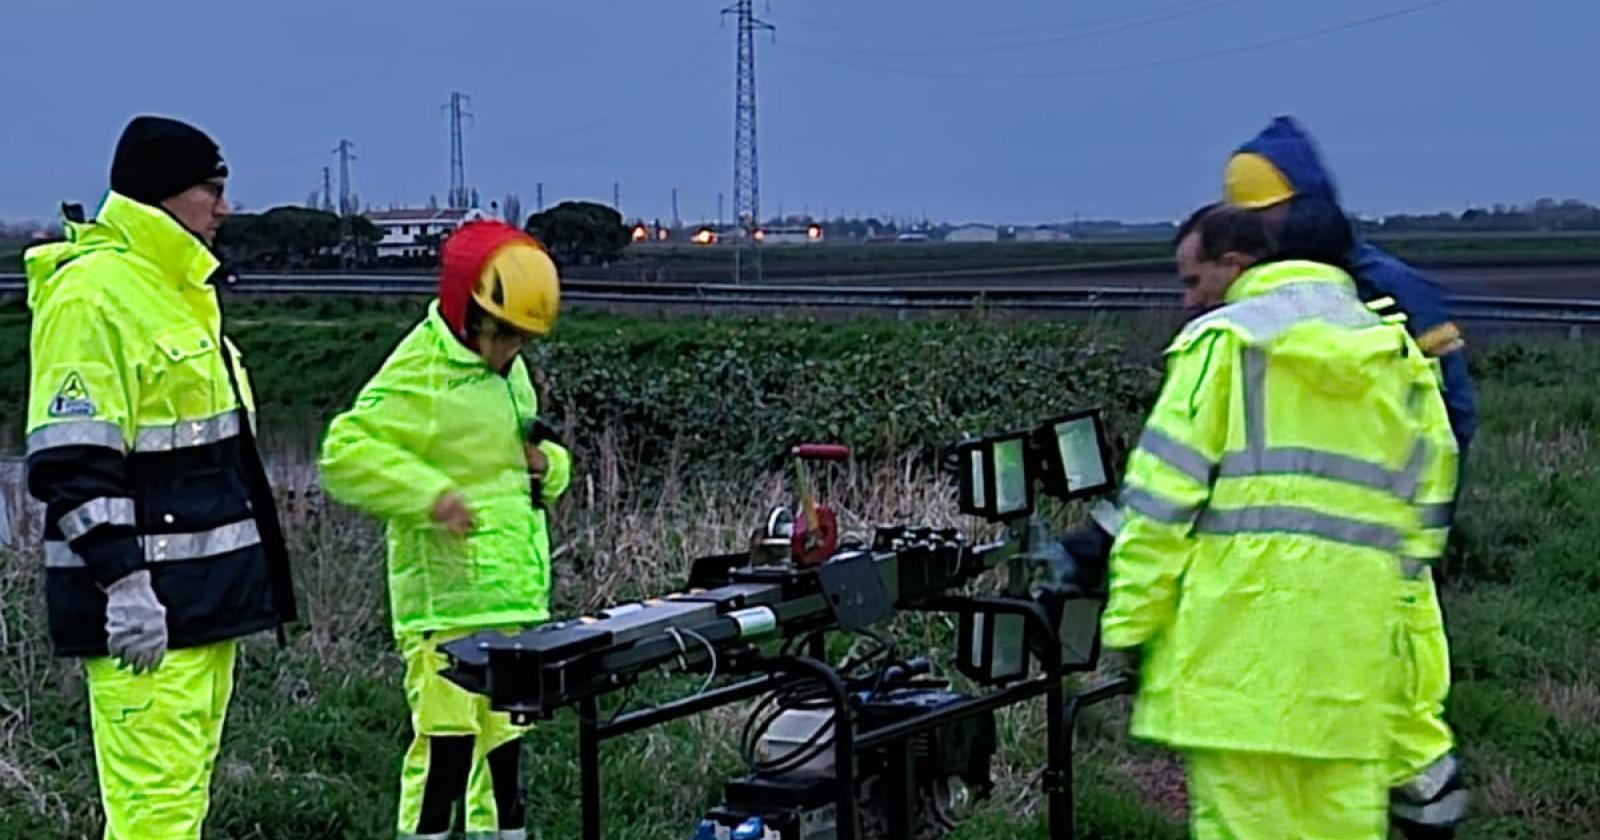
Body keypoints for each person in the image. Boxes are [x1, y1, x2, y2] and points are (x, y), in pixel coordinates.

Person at [1100, 205, 1459, 839]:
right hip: (1350, 679)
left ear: (1236, 265)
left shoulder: (1224, 348)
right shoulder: (1399, 359)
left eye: (1193, 280)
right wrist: (1414, 714)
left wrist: (1130, 628)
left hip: (1231, 677)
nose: (1190, 299)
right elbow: (1415, 561)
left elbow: (1158, 509)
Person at [23, 115, 298, 838]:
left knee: (178, 811)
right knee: (153, 821)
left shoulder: (177, 288)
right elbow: (70, 464)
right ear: (163, 194)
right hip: (149, 615)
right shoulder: (93, 296)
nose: (225, 208)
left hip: (201, 611)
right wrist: (124, 584)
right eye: (212, 189)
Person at [1224, 116, 1471, 836]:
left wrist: (1420, 536)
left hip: (1382, 563)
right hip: (1301, 578)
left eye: (1264, 218)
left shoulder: (1389, 292)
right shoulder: (1259, 304)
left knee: (1398, 715)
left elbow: (1452, 418)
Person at [318, 219, 571, 840]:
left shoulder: (507, 371)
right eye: (504, 335)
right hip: (446, 610)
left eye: (523, 339)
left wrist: (552, 468)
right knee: (445, 757)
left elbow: (527, 463)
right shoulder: (420, 372)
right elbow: (344, 453)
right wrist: (431, 497)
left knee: (505, 756)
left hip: (512, 599)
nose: (513, 350)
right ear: (471, 312)